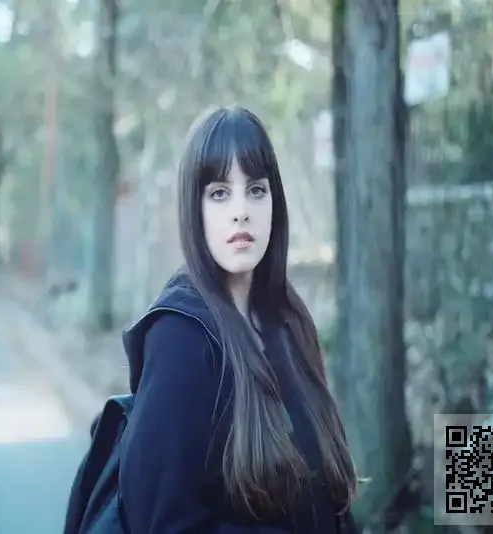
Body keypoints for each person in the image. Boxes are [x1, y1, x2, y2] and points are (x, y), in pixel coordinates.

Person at [118, 105, 360, 533]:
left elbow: (329, 495)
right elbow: (164, 521)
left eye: (256, 190)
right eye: (219, 193)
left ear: (274, 204)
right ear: (194, 210)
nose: (241, 211)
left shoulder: (289, 321)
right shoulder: (181, 338)